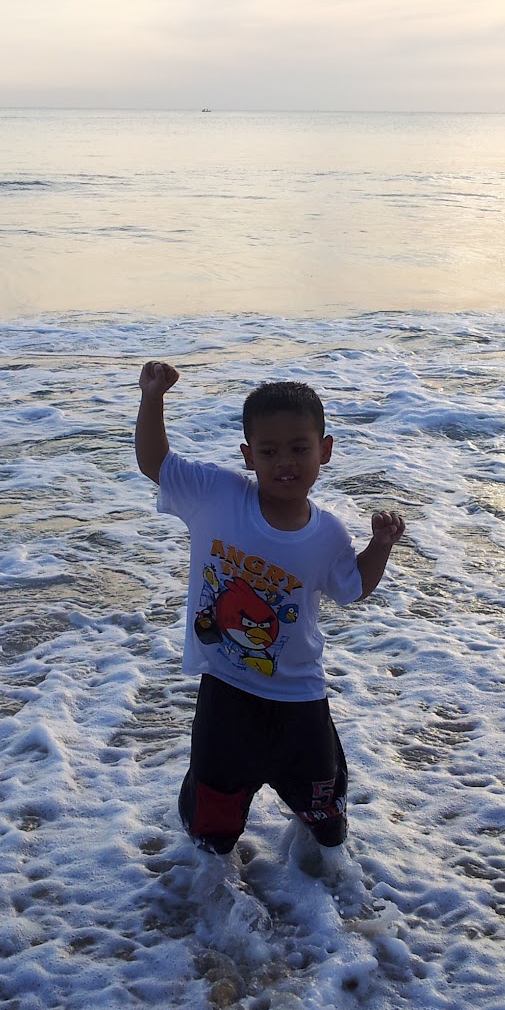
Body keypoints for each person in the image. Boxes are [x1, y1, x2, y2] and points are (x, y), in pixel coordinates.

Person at [135, 360, 405, 855]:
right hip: (226, 689)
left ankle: (321, 880)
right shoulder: (217, 495)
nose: (285, 462)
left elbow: (352, 588)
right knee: (212, 824)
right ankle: (212, 886)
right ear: (248, 456)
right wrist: (152, 398)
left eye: (299, 448)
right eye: (269, 450)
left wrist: (380, 546)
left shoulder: (327, 534)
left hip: (300, 697)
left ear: (324, 451)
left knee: (325, 820)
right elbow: (157, 463)